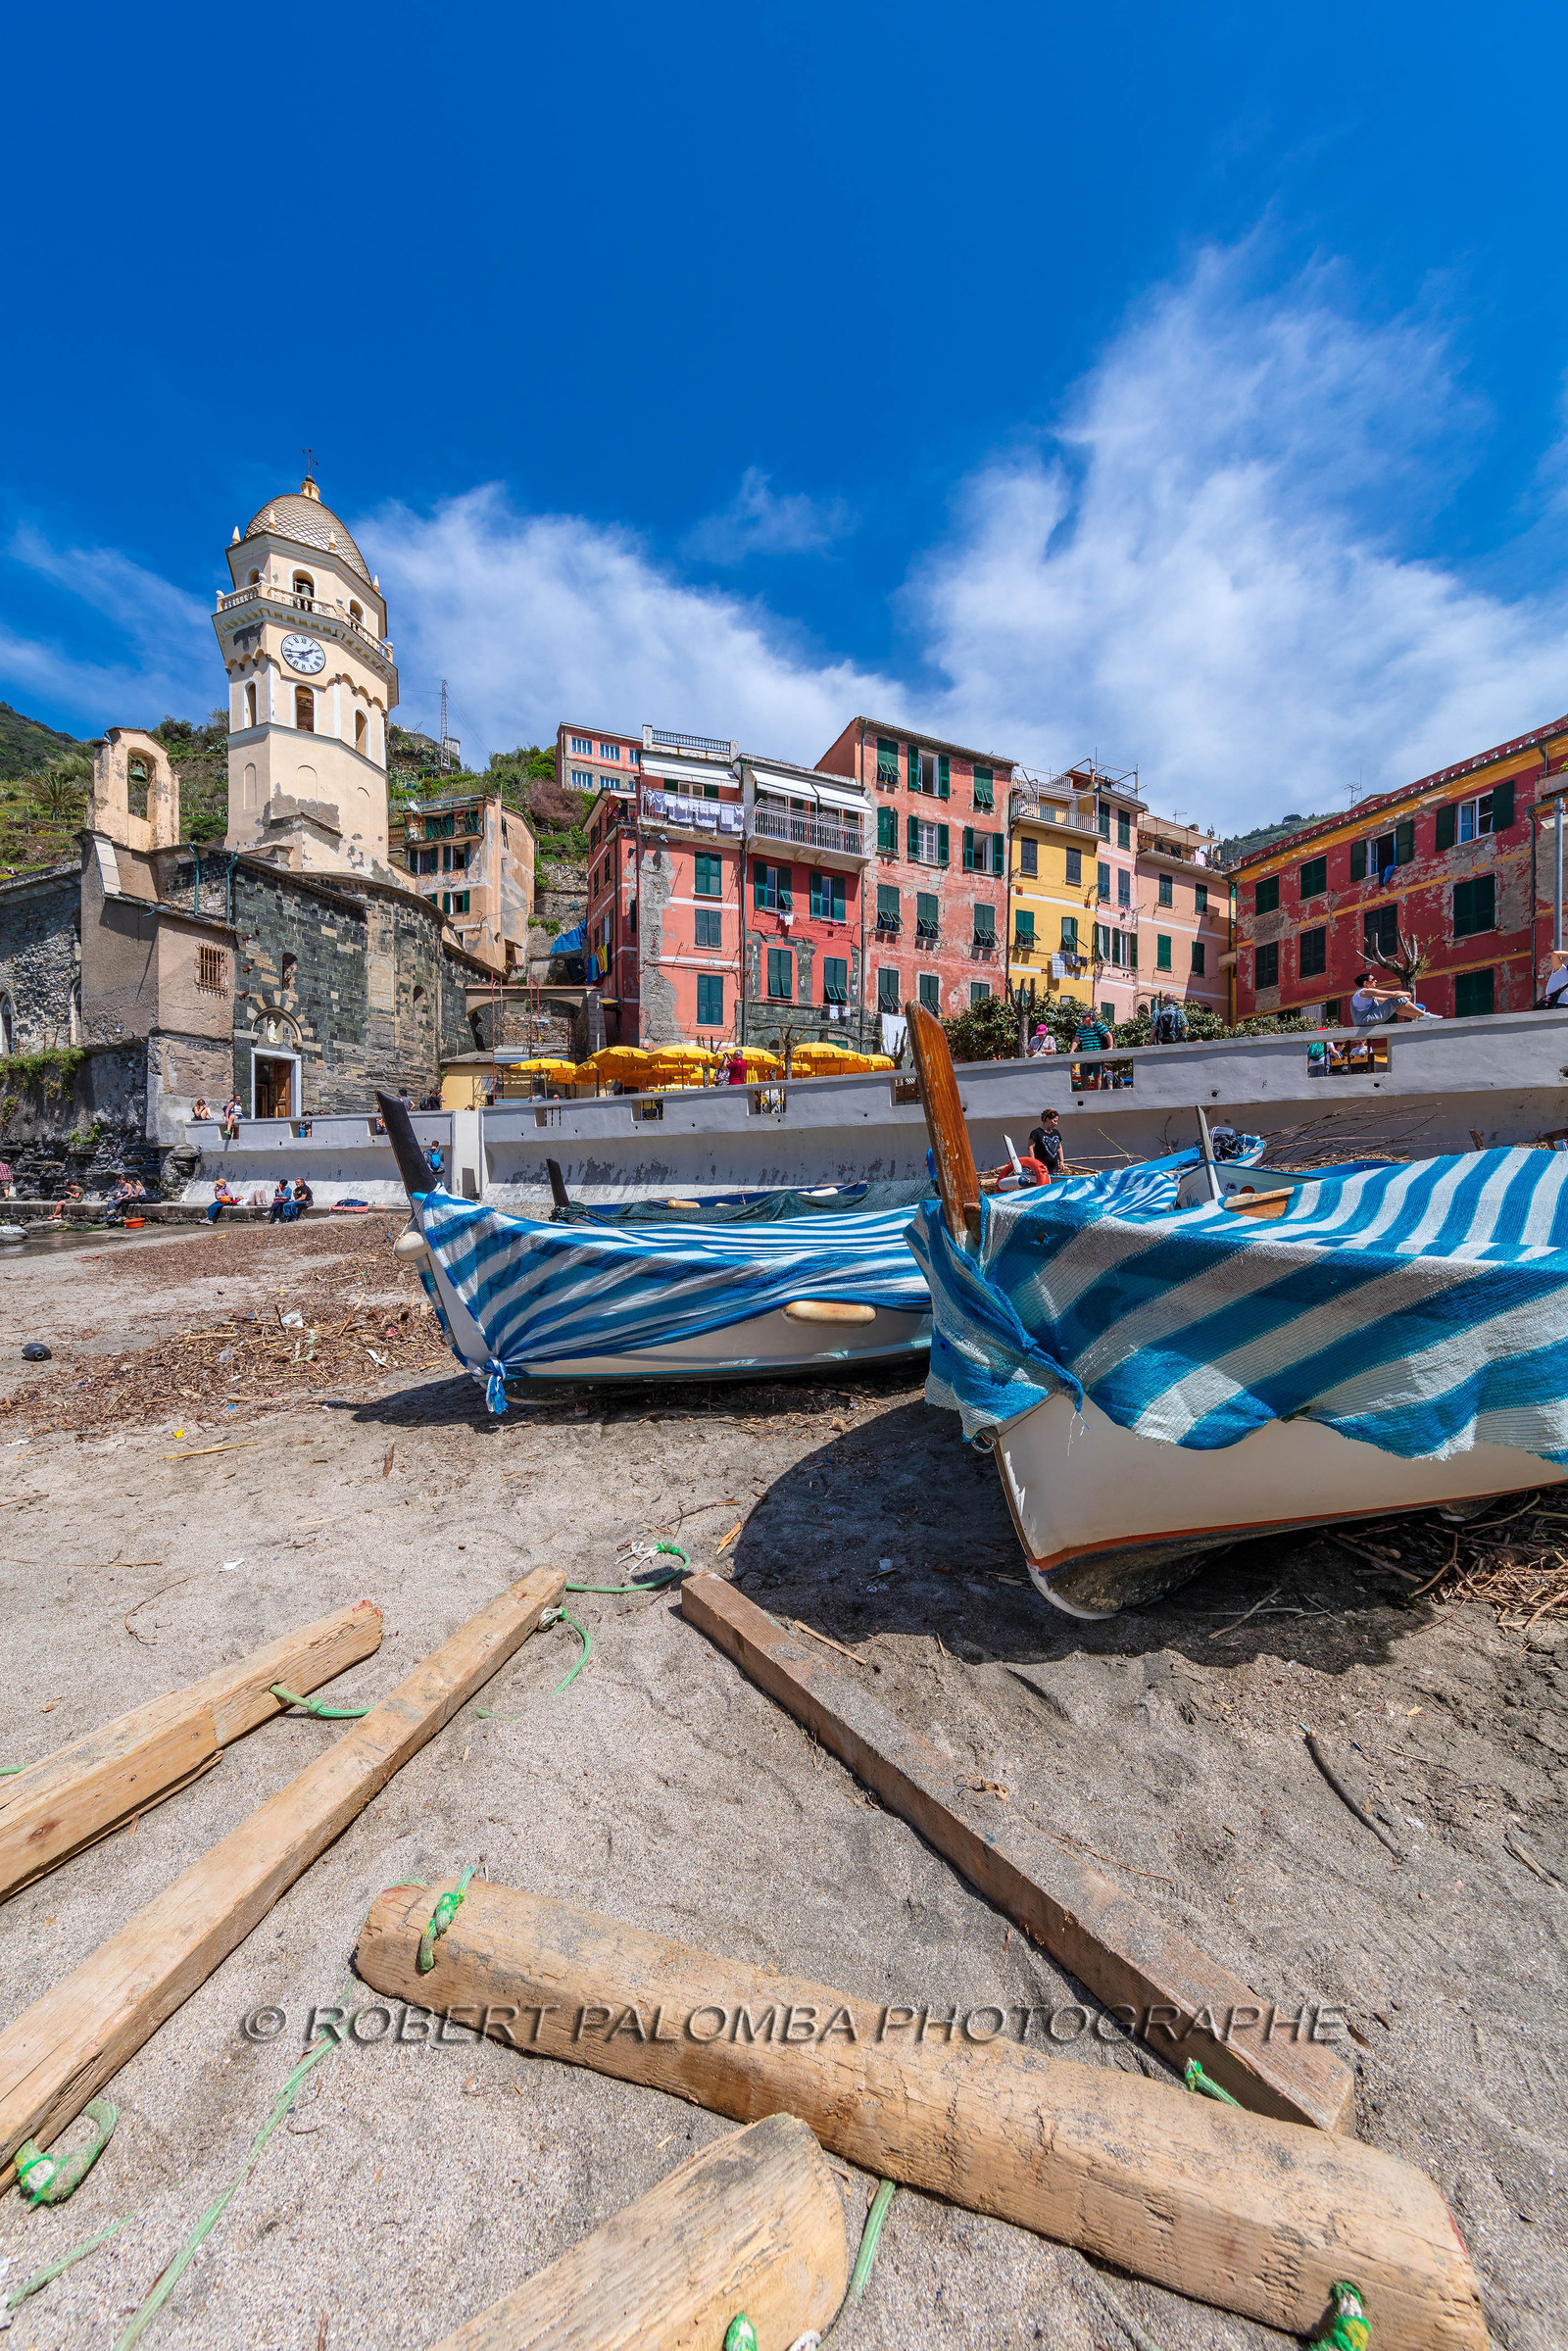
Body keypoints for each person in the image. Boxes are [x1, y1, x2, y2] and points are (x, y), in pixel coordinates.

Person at [1028, 1106, 1068, 1179]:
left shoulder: (1056, 1133)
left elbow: (1059, 1147)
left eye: (1057, 1121)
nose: (1056, 1123)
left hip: (1054, 1167)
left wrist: (1061, 1161)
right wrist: (1033, 1164)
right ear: (1047, 1119)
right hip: (1041, 1166)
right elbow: (1030, 1148)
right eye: (1054, 1121)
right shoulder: (1036, 1133)